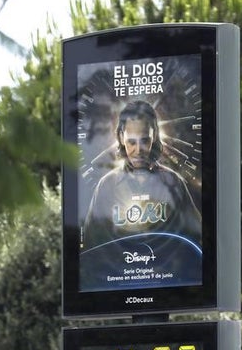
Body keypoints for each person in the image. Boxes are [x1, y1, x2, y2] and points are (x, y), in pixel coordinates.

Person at [81, 99, 203, 291]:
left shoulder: (173, 183)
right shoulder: (106, 186)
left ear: (154, 136)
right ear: (121, 137)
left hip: (169, 287)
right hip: (118, 289)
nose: (138, 150)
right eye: (131, 142)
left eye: (144, 140)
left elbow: (196, 240)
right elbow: (90, 248)